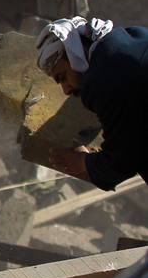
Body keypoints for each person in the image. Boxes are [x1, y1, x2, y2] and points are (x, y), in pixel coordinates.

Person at [36, 16, 148, 189]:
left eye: (63, 77)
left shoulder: (105, 79)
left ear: (73, 53)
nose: (65, 90)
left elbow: (122, 161)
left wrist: (82, 162)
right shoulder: (137, 39)